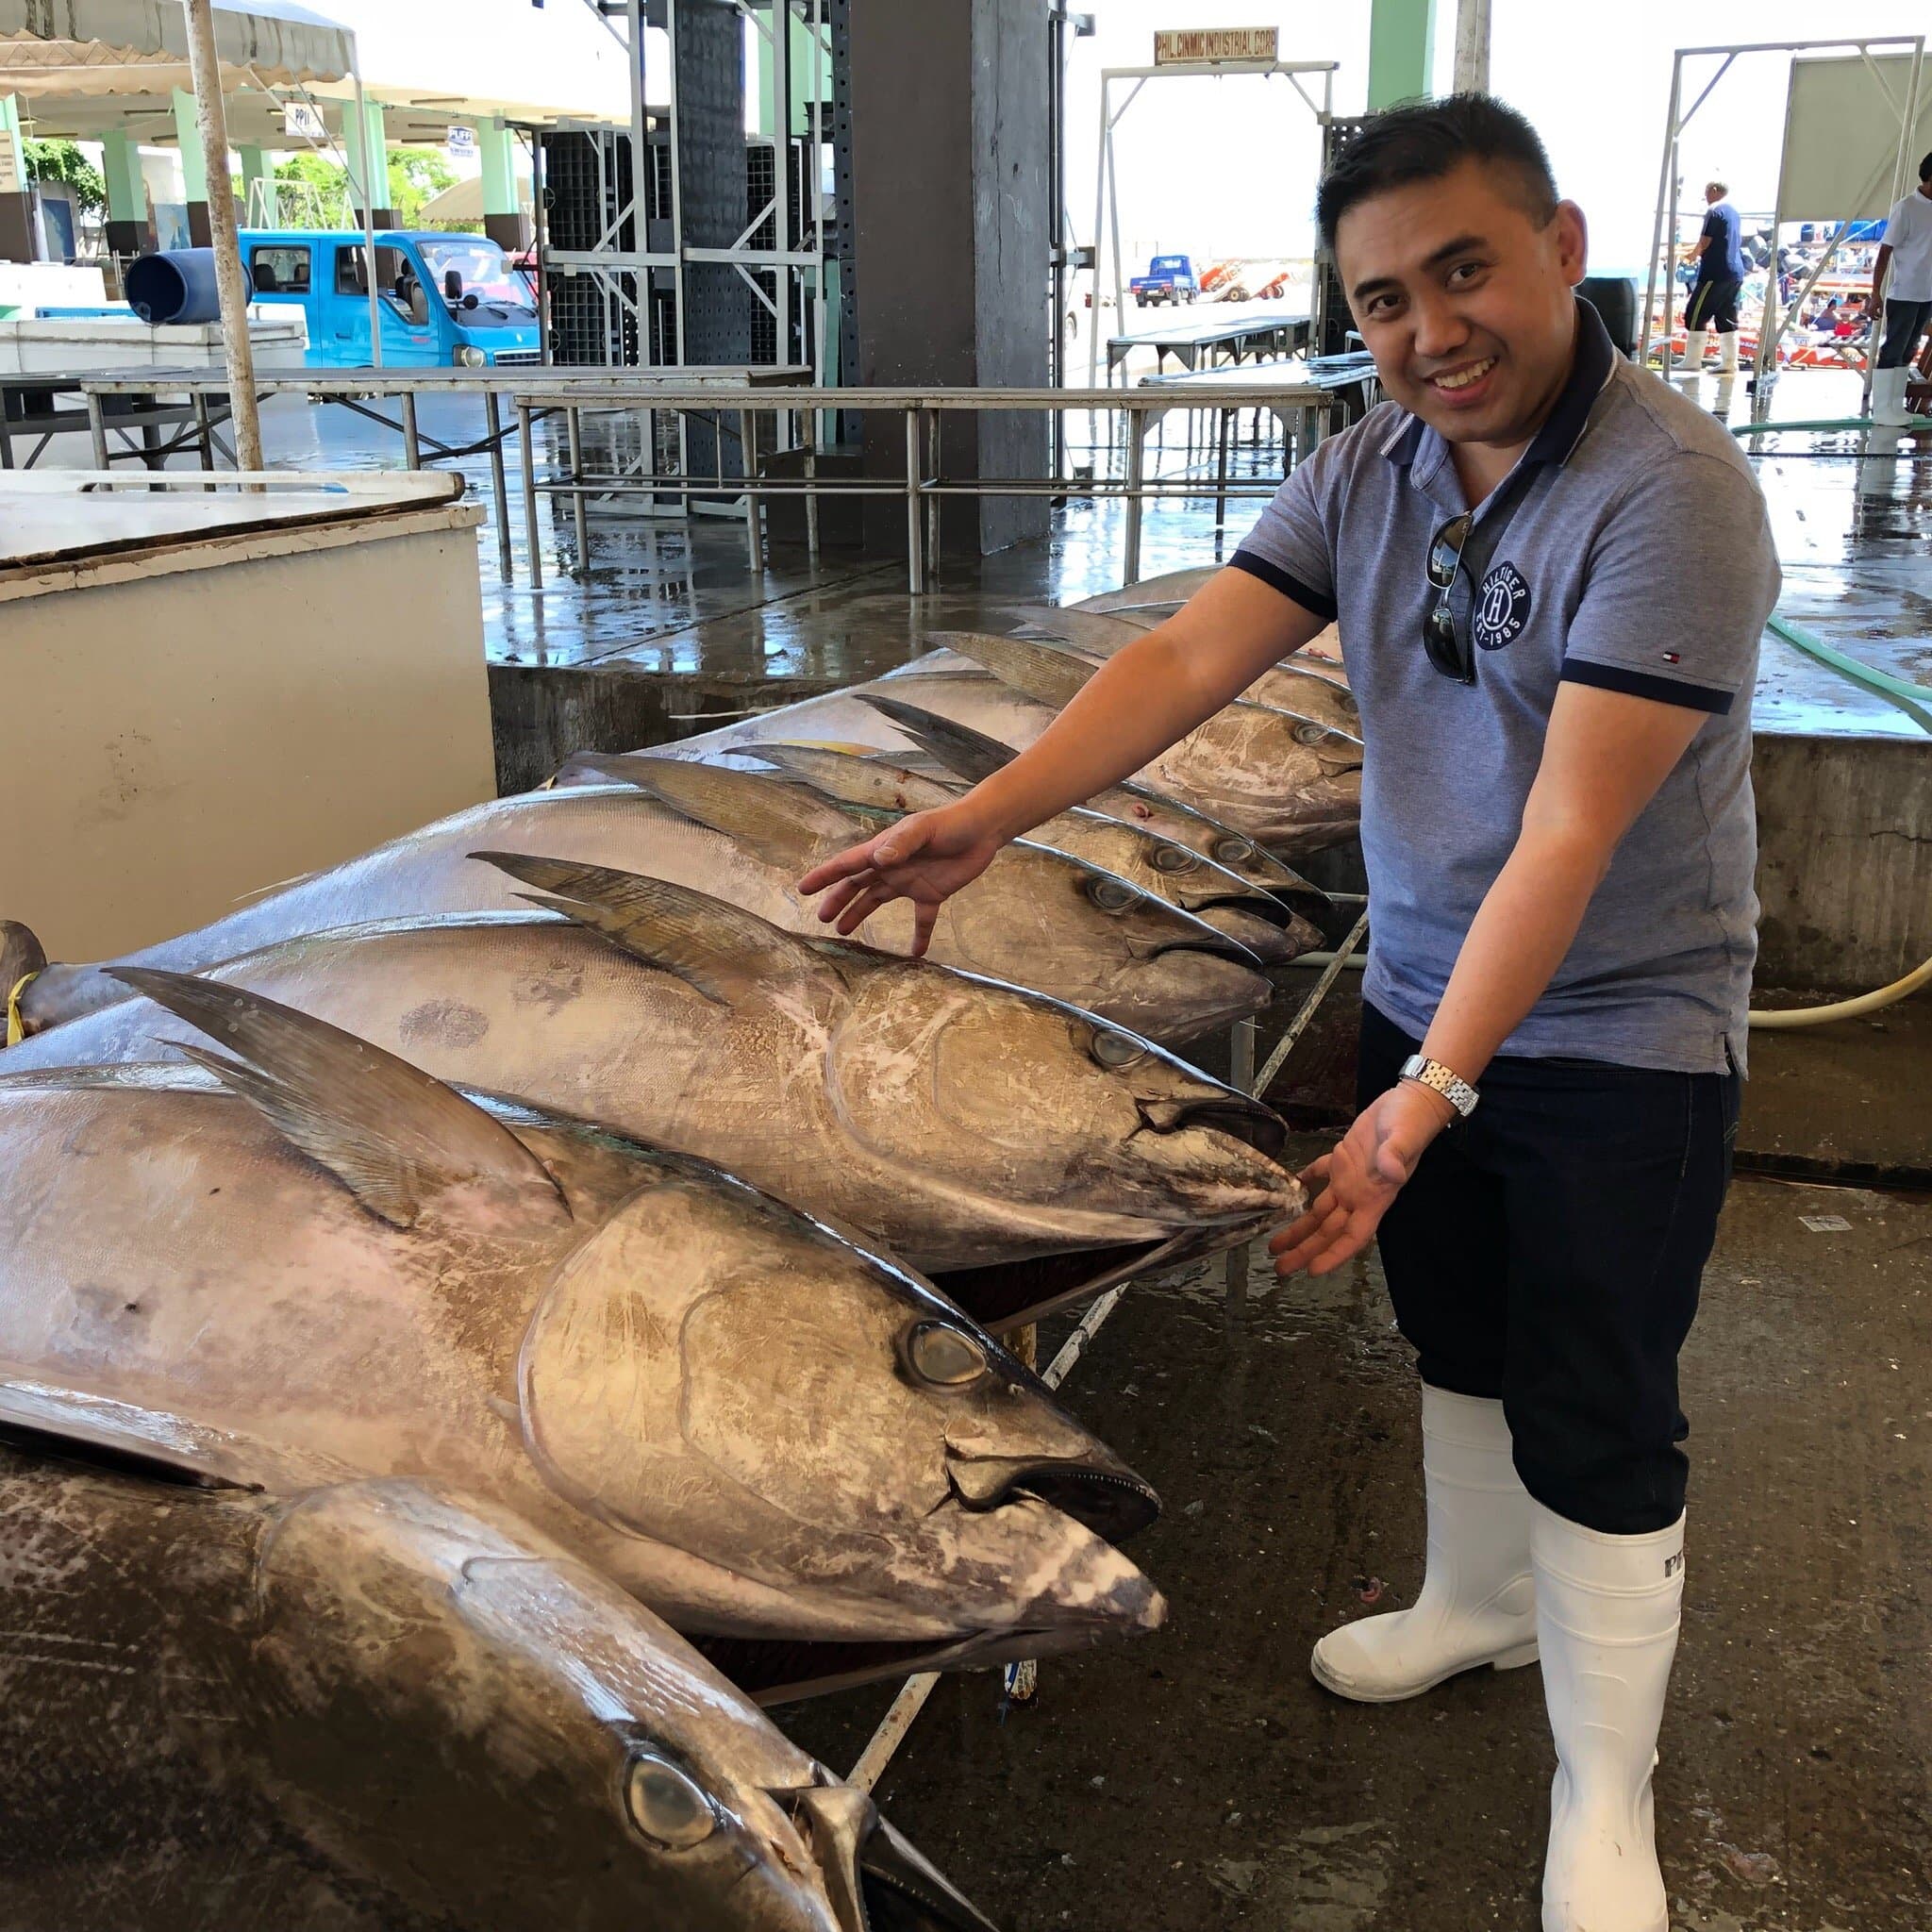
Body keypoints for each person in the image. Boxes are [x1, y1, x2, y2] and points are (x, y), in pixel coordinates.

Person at [797, 92, 1778, 1932]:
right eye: (1385, 298)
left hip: (1615, 1035)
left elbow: (1567, 837)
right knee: (1461, 1338)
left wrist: (1425, 1103)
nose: (1429, 329)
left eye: (1464, 269)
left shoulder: (1672, 499)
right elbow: (1184, 653)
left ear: (1561, 246)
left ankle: (1603, 1795)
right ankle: (1480, 1603)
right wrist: (986, 818)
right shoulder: (1373, 469)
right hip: (1425, 995)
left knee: (1597, 1394)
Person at [1869, 151, 1932, 425]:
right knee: (1893, 348)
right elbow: (1885, 252)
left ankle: (1896, 405)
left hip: (1928, 294)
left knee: (1909, 349)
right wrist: (1875, 293)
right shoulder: (1906, 207)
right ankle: (1881, 408)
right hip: (1905, 292)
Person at [1682, 178, 1746, 374]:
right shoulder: (1734, 213)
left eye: (1707, 192)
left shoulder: (1715, 211)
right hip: (1735, 272)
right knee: (1726, 315)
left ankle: (1692, 361)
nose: (1706, 197)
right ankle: (1729, 363)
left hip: (1715, 272)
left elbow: (1705, 241)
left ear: (1715, 190)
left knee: (1695, 314)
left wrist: (1691, 256)